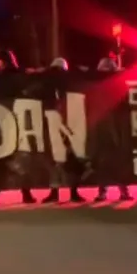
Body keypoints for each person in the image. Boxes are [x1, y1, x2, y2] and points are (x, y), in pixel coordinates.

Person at [0, 49, 36, 205]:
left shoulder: (2, 78)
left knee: (5, 158)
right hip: (14, 119)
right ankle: (25, 193)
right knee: (17, 157)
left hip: (7, 119)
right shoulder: (17, 75)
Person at [42, 57, 87, 205]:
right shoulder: (48, 83)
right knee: (57, 159)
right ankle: (55, 191)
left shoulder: (70, 83)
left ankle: (73, 191)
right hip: (55, 121)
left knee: (71, 158)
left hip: (69, 121)